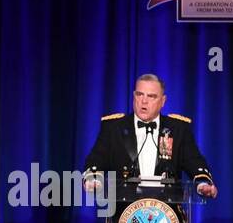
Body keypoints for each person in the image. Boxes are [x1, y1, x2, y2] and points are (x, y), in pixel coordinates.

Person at [82, 74, 217, 199]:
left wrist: (202, 183)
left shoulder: (177, 129)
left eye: (151, 96)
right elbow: (97, 159)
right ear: (134, 96)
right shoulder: (114, 127)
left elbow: (194, 161)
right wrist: (93, 179)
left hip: (167, 211)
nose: (144, 101)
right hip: (124, 210)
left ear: (163, 101)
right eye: (139, 94)